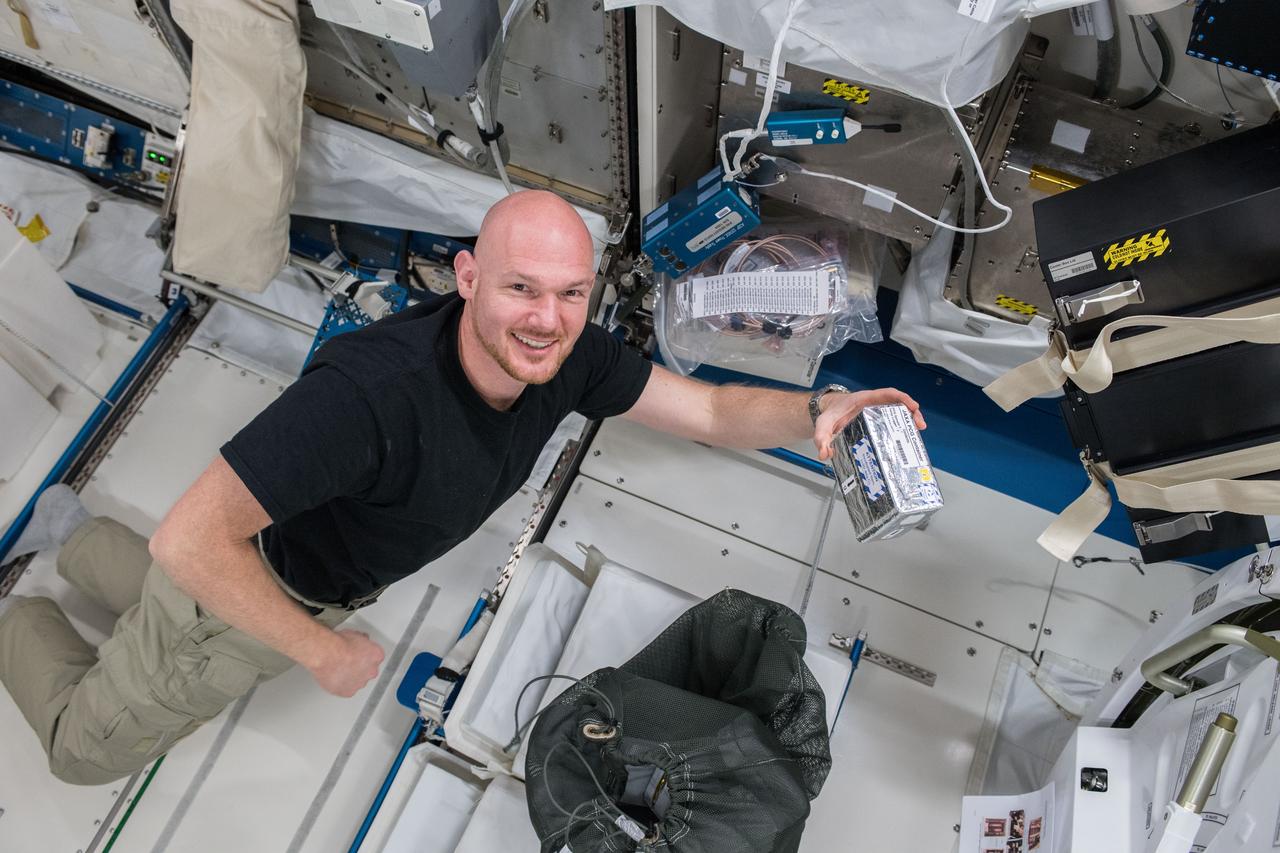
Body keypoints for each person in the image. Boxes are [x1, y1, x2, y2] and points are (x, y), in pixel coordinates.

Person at [0, 190, 925, 784]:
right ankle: (17, 612)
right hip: (259, 589)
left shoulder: (570, 352)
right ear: (468, 276)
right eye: (523, 289)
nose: (548, 319)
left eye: (572, 292)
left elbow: (714, 411)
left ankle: (71, 534)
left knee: (167, 602)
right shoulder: (367, 397)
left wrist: (822, 408)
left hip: (307, 575)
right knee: (82, 753)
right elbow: (192, 541)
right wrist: (320, 651)